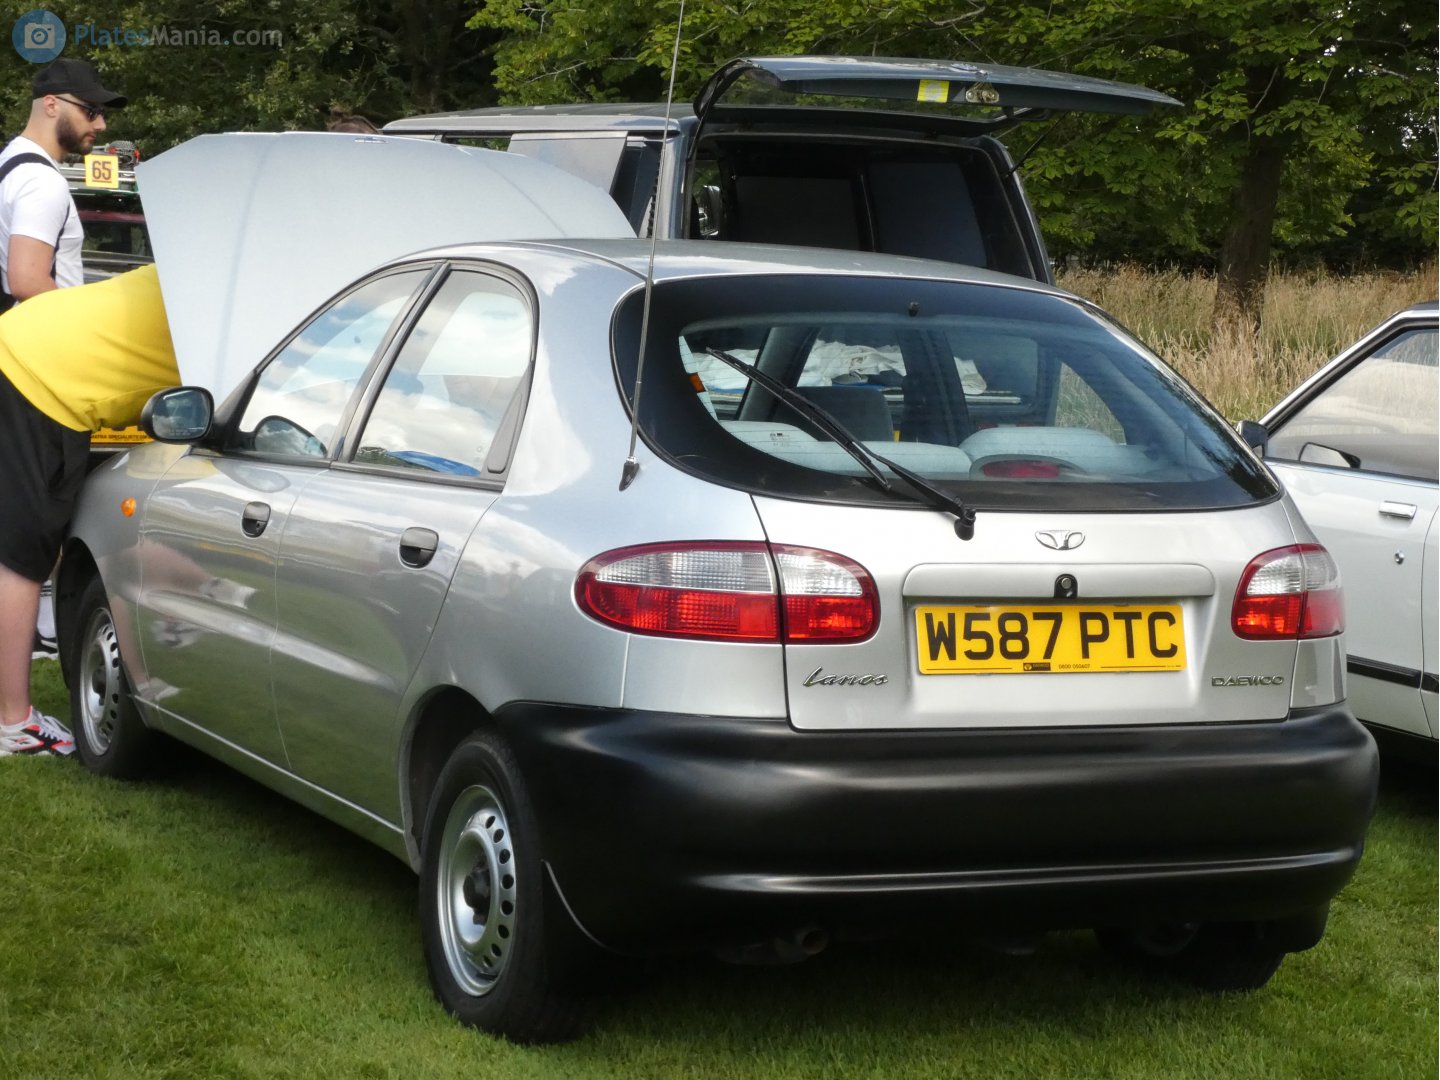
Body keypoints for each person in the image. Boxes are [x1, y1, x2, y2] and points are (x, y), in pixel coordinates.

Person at [0, 264, 177, 756]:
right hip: (47, 381)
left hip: (24, 343)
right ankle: (12, 722)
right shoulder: (246, 312)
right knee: (21, 556)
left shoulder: (204, 256)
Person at [0, 59, 126, 662]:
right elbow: (28, 278)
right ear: (52, 104)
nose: (99, 124)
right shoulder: (43, 182)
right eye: (91, 110)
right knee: (35, 526)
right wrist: (91, 326)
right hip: (46, 369)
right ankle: (41, 638)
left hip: (16, 358)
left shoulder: (7, 166)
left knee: (19, 524)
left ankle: (43, 627)